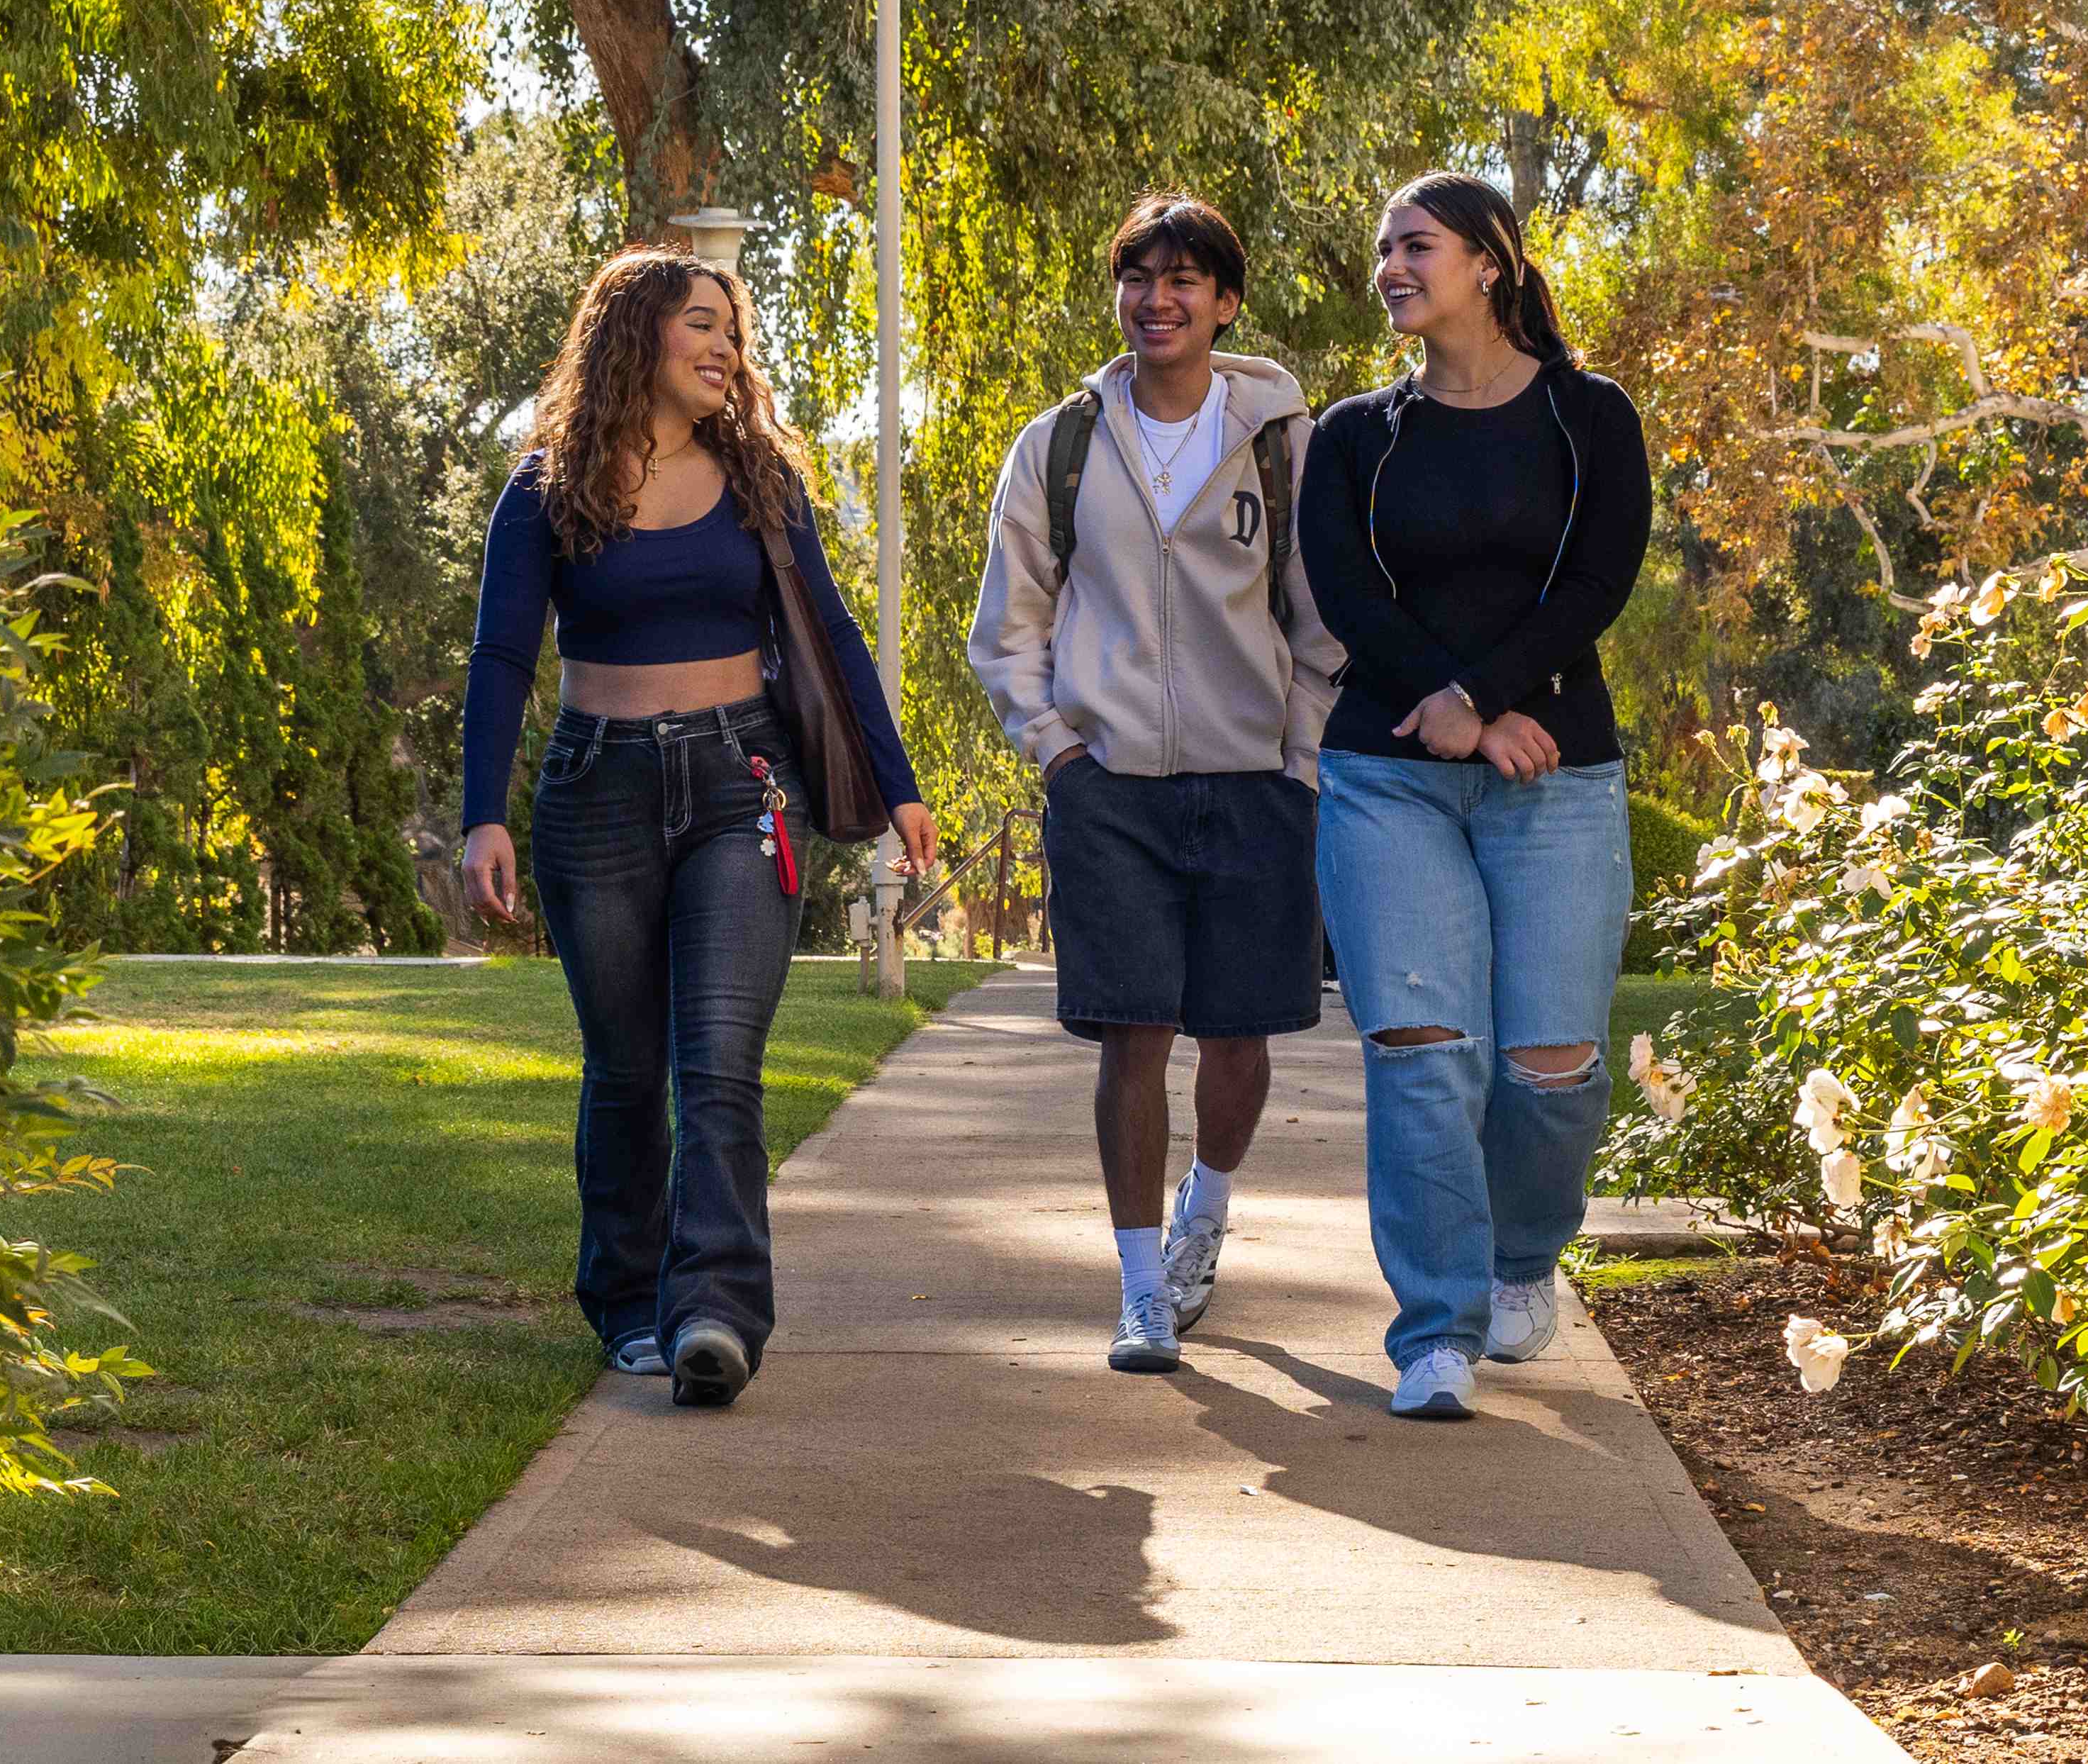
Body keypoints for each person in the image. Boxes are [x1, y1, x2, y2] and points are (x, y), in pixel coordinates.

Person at [460, 246, 937, 1409]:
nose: (726, 347)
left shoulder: (760, 477)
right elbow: (502, 657)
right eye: (702, 324)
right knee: (627, 1072)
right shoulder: (545, 488)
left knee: (719, 1063)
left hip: (743, 786)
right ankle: (628, 1301)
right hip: (597, 791)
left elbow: (833, 632)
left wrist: (900, 785)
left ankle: (714, 1311)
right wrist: (481, 817)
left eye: (733, 329)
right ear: (638, 336)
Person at [967, 194, 1344, 1374]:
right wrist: (1058, 750)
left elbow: (1324, 618)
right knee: (1132, 1035)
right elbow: (1009, 624)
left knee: (1237, 1036)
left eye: (1184, 279)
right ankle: (1140, 1290)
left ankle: (1205, 1215)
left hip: (1256, 783)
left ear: (1225, 303)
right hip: (1110, 788)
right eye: (1139, 277)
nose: (1157, 299)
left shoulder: (1284, 442)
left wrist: (1300, 758)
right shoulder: (1061, 445)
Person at [1297, 172, 1651, 1420]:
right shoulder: (1355, 434)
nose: (1392, 268)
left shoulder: (1588, 415)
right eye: (1384, 249)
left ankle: (1521, 1258)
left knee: (1553, 1069)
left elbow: (1599, 582)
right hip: (1388, 775)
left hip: (1557, 775)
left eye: (1418, 246)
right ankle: (1435, 1331)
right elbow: (1347, 595)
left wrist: (1487, 698)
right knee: (1425, 1055)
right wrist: (1453, 710)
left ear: (1490, 262)